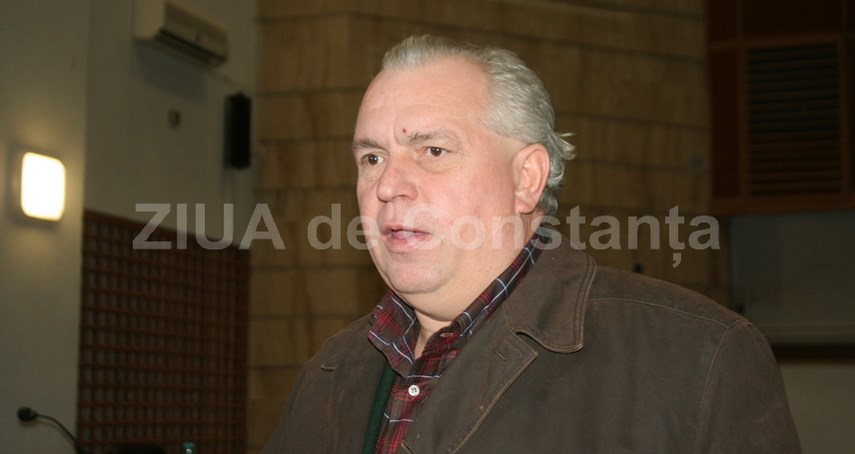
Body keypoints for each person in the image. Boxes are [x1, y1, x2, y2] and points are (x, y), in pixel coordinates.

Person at [262, 35, 801, 453]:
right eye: (372, 158)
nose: (387, 186)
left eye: (433, 151)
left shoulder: (698, 358)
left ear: (526, 179)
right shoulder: (328, 374)